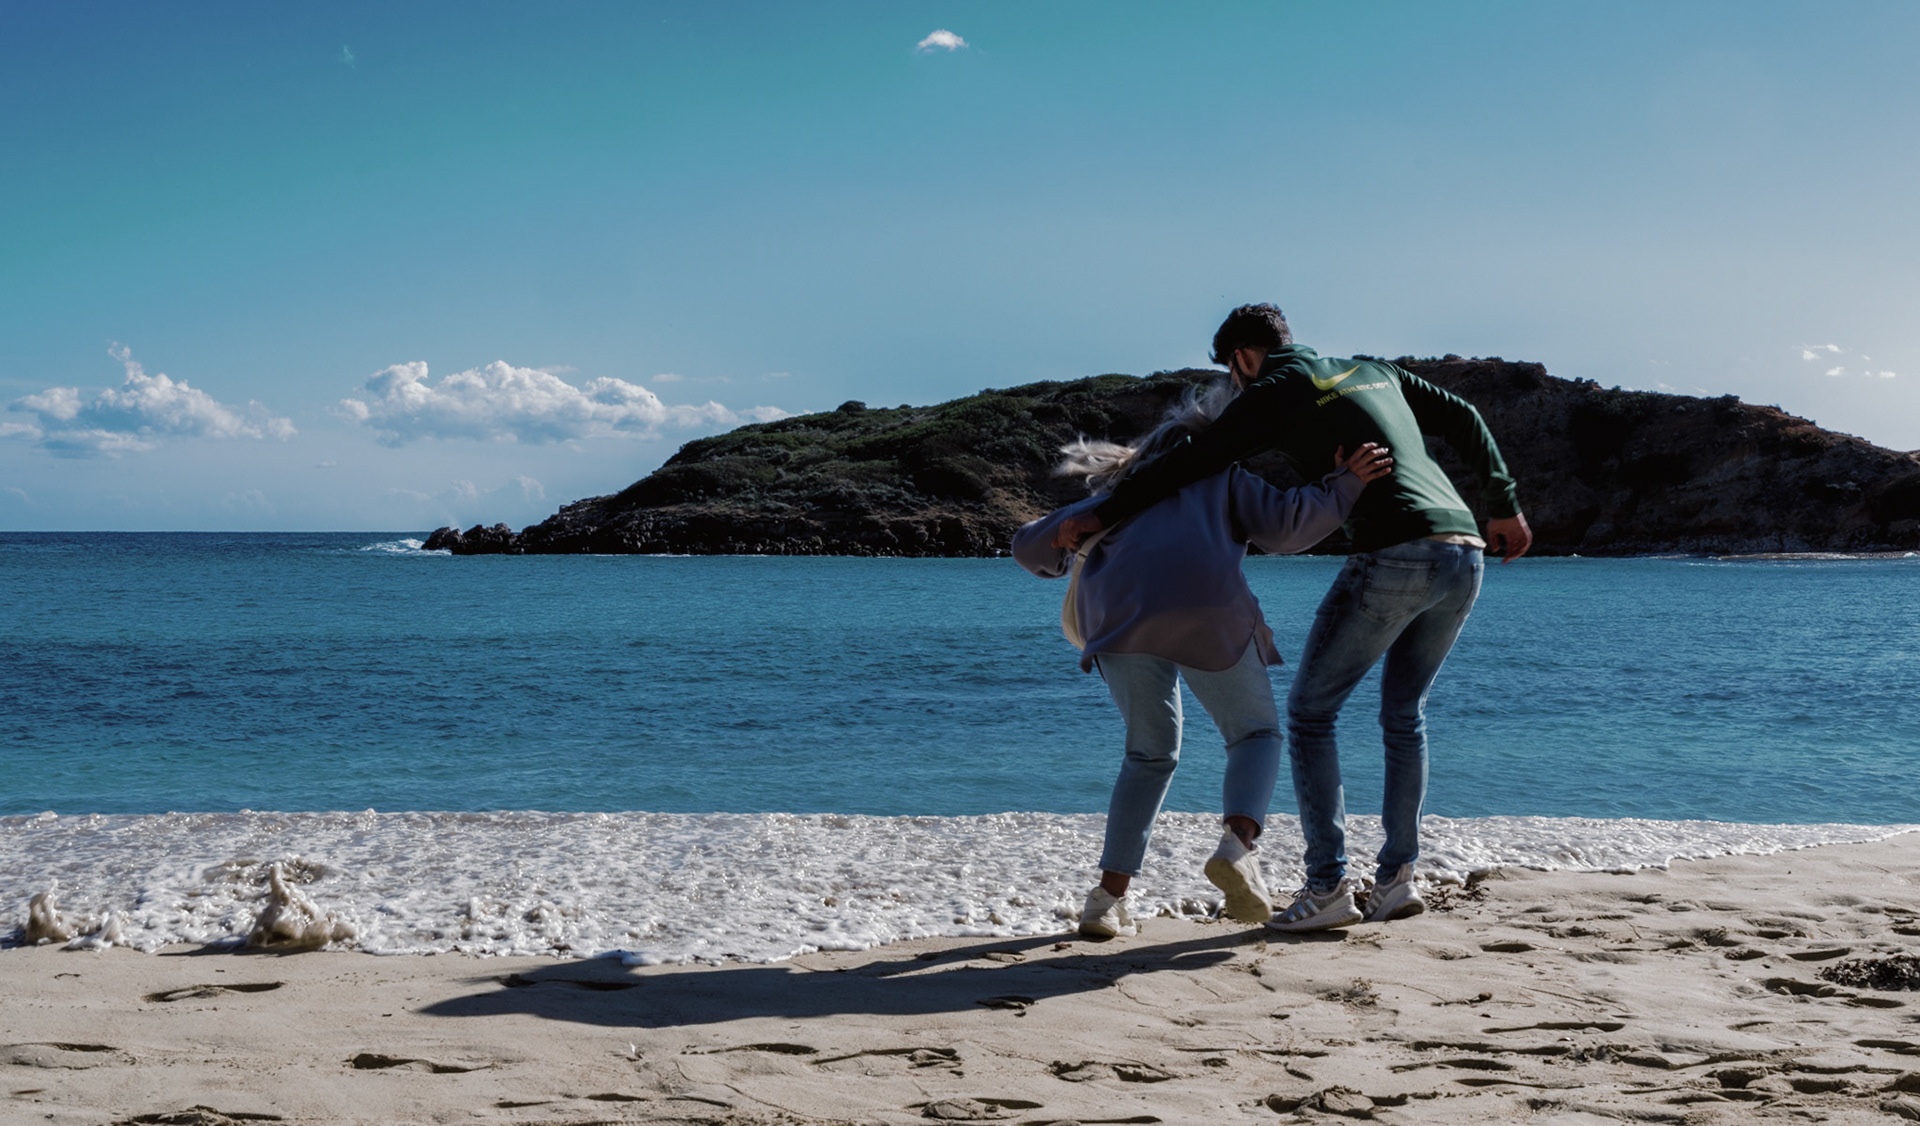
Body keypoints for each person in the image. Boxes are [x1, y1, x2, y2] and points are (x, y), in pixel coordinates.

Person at [1052, 304, 1531, 932]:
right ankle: (1396, 882)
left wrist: (1107, 507)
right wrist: (1504, 505)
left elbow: (1198, 457)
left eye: (1232, 372)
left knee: (1309, 715)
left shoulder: (1275, 387)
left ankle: (1328, 888)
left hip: (1394, 552)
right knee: (1403, 714)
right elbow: (1464, 416)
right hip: (1463, 550)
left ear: (1241, 358)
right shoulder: (1373, 369)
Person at [1013, 379, 1393, 938]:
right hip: (1208, 613)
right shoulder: (1225, 477)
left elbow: (1028, 547)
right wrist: (1345, 483)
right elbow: (1290, 527)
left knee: (1149, 755)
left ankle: (1104, 901)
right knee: (1255, 735)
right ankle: (1236, 848)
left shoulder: (1120, 497)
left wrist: (1064, 541)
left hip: (1119, 620)